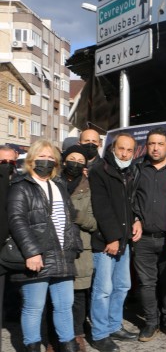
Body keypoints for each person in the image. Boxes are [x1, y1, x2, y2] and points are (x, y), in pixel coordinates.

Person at [7, 140, 83, 352]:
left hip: (62, 256)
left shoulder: (58, 185)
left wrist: (74, 245)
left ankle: (68, 346)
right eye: (42, 156)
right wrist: (31, 252)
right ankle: (32, 348)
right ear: (31, 159)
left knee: (64, 306)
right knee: (34, 307)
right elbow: (17, 220)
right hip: (37, 257)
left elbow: (68, 218)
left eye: (51, 158)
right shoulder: (21, 185)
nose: (46, 161)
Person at [131, 128, 166, 342]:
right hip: (143, 239)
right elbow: (130, 199)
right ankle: (151, 322)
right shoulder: (137, 169)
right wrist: (135, 218)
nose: (155, 148)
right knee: (146, 283)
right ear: (147, 145)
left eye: (160, 144)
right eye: (152, 144)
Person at [88, 133, 139, 352]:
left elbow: (128, 205)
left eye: (129, 150)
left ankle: (114, 324)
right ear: (112, 149)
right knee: (103, 289)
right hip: (107, 241)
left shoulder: (129, 171)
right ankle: (100, 334)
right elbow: (101, 207)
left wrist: (137, 220)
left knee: (122, 285)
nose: (125, 153)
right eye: (121, 149)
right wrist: (112, 237)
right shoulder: (100, 170)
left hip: (124, 240)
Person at [61, 145, 97, 352]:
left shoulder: (88, 186)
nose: (75, 163)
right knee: (54, 294)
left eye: (80, 160)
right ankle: (53, 337)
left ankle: (77, 334)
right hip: (54, 245)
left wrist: (76, 216)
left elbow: (93, 222)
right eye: (71, 158)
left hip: (80, 247)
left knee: (78, 295)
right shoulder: (52, 183)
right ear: (64, 161)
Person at [0, 145, 18, 347]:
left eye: (10, 163)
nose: (6, 166)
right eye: (1, 163)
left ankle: (12, 312)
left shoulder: (20, 181)